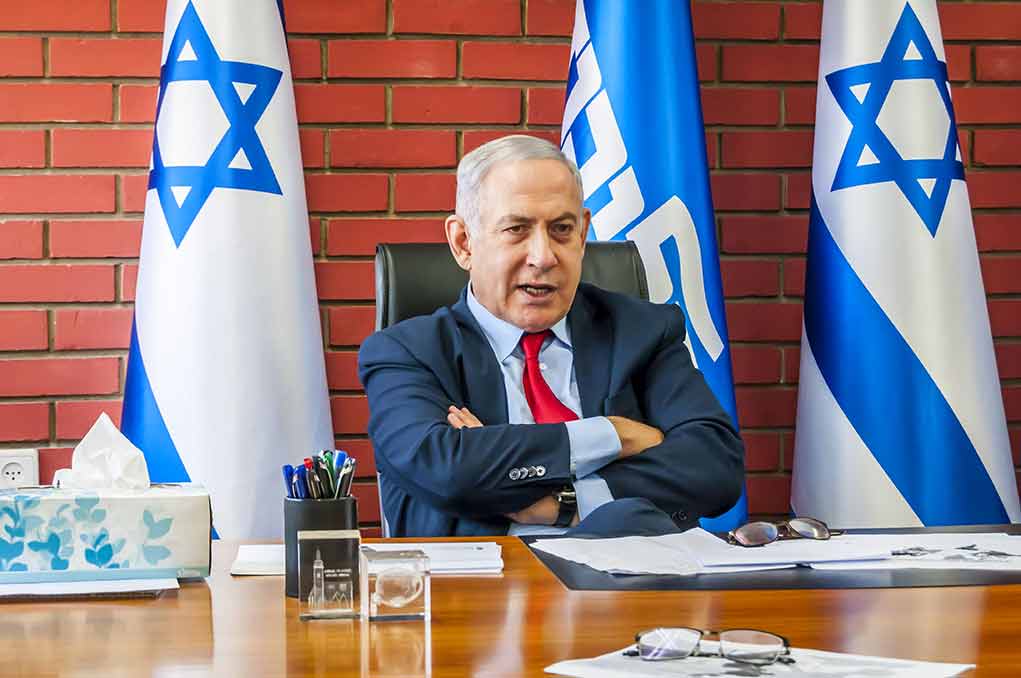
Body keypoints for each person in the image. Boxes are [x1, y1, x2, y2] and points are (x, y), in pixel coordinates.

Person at [358, 135, 744, 538]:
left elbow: (715, 466)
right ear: (464, 242)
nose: (543, 256)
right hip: (478, 591)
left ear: (582, 236)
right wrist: (614, 434)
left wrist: (562, 504)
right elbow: (443, 466)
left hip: (627, 584)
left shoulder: (643, 331)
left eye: (562, 229)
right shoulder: (407, 352)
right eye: (516, 229)